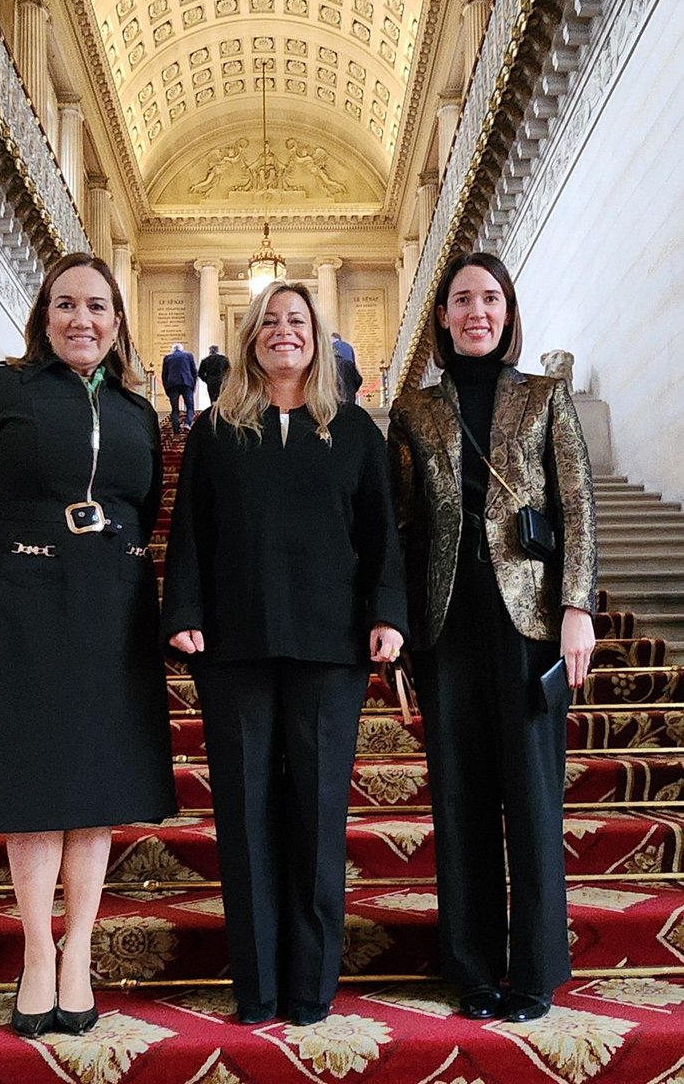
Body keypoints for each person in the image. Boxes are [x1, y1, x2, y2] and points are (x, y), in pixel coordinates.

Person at [0, 252, 176, 1039]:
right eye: (66, 304)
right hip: (25, 600)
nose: (83, 319)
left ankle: (79, 956)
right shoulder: (2, 387)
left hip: (113, 605)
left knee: (95, 782)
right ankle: (38, 954)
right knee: (34, 777)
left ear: (117, 322)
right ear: (44, 315)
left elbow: (144, 506)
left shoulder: (140, 411)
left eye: (98, 307)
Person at [162, 281, 408, 1026]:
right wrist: (183, 612)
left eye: (295, 321)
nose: (282, 332)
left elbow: (381, 533)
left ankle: (310, 986)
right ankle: (259, 985)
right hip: (233, 646)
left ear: (316, 337)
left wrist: (387, 614)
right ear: (250, 339)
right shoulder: (215, 431)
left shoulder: (355, 430)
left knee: (317, 814)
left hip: (329, 648)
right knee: (244, 815)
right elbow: (190, 530)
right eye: (269, 321)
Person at [387, 251, 597, 1024]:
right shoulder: (413, 411)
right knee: (459, 796)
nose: (476, 311)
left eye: (489, 299)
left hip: (531, 623)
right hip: (445, 623)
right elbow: (402, 524)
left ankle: (535, 966)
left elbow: (575, 501)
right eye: (461, 300)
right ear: (441, 317)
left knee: (533, 796)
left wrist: (577, 608)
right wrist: (401, 632)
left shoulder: (543, 398)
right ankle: (472, 969)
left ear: (507, 314)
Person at [162, 341, 198, 434]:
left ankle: (176, 430)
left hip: (172, 385)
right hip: (186, 384)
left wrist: (167, 389)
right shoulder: (189, 356)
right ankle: (187, 423)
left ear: (173, 350)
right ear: (182, 349)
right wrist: (193, 386)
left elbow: (164, 375)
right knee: (190, 407)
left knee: (175, 409)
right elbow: (194, 372)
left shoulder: (167, 358)